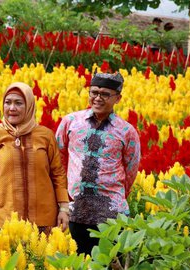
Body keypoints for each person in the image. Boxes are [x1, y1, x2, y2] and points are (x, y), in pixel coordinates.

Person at [55, 72, 141, 255]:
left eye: (105, 94)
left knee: (109, 262)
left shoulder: (127, 131)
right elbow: (57, 158)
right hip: (75, 210)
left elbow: (131, 170)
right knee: (76, 262)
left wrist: (114, 197)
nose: (98, 98)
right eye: (94, 92)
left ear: (118, 98)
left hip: (111, 215)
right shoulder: (70, 122)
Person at [0, 82, 70, 234]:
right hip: (5, 220)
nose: (12, 108)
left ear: (29, 105)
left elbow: (58, 174)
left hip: (44, 220)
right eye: (7, 102)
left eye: (18, 103)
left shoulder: (45, 135)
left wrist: (64, 208)